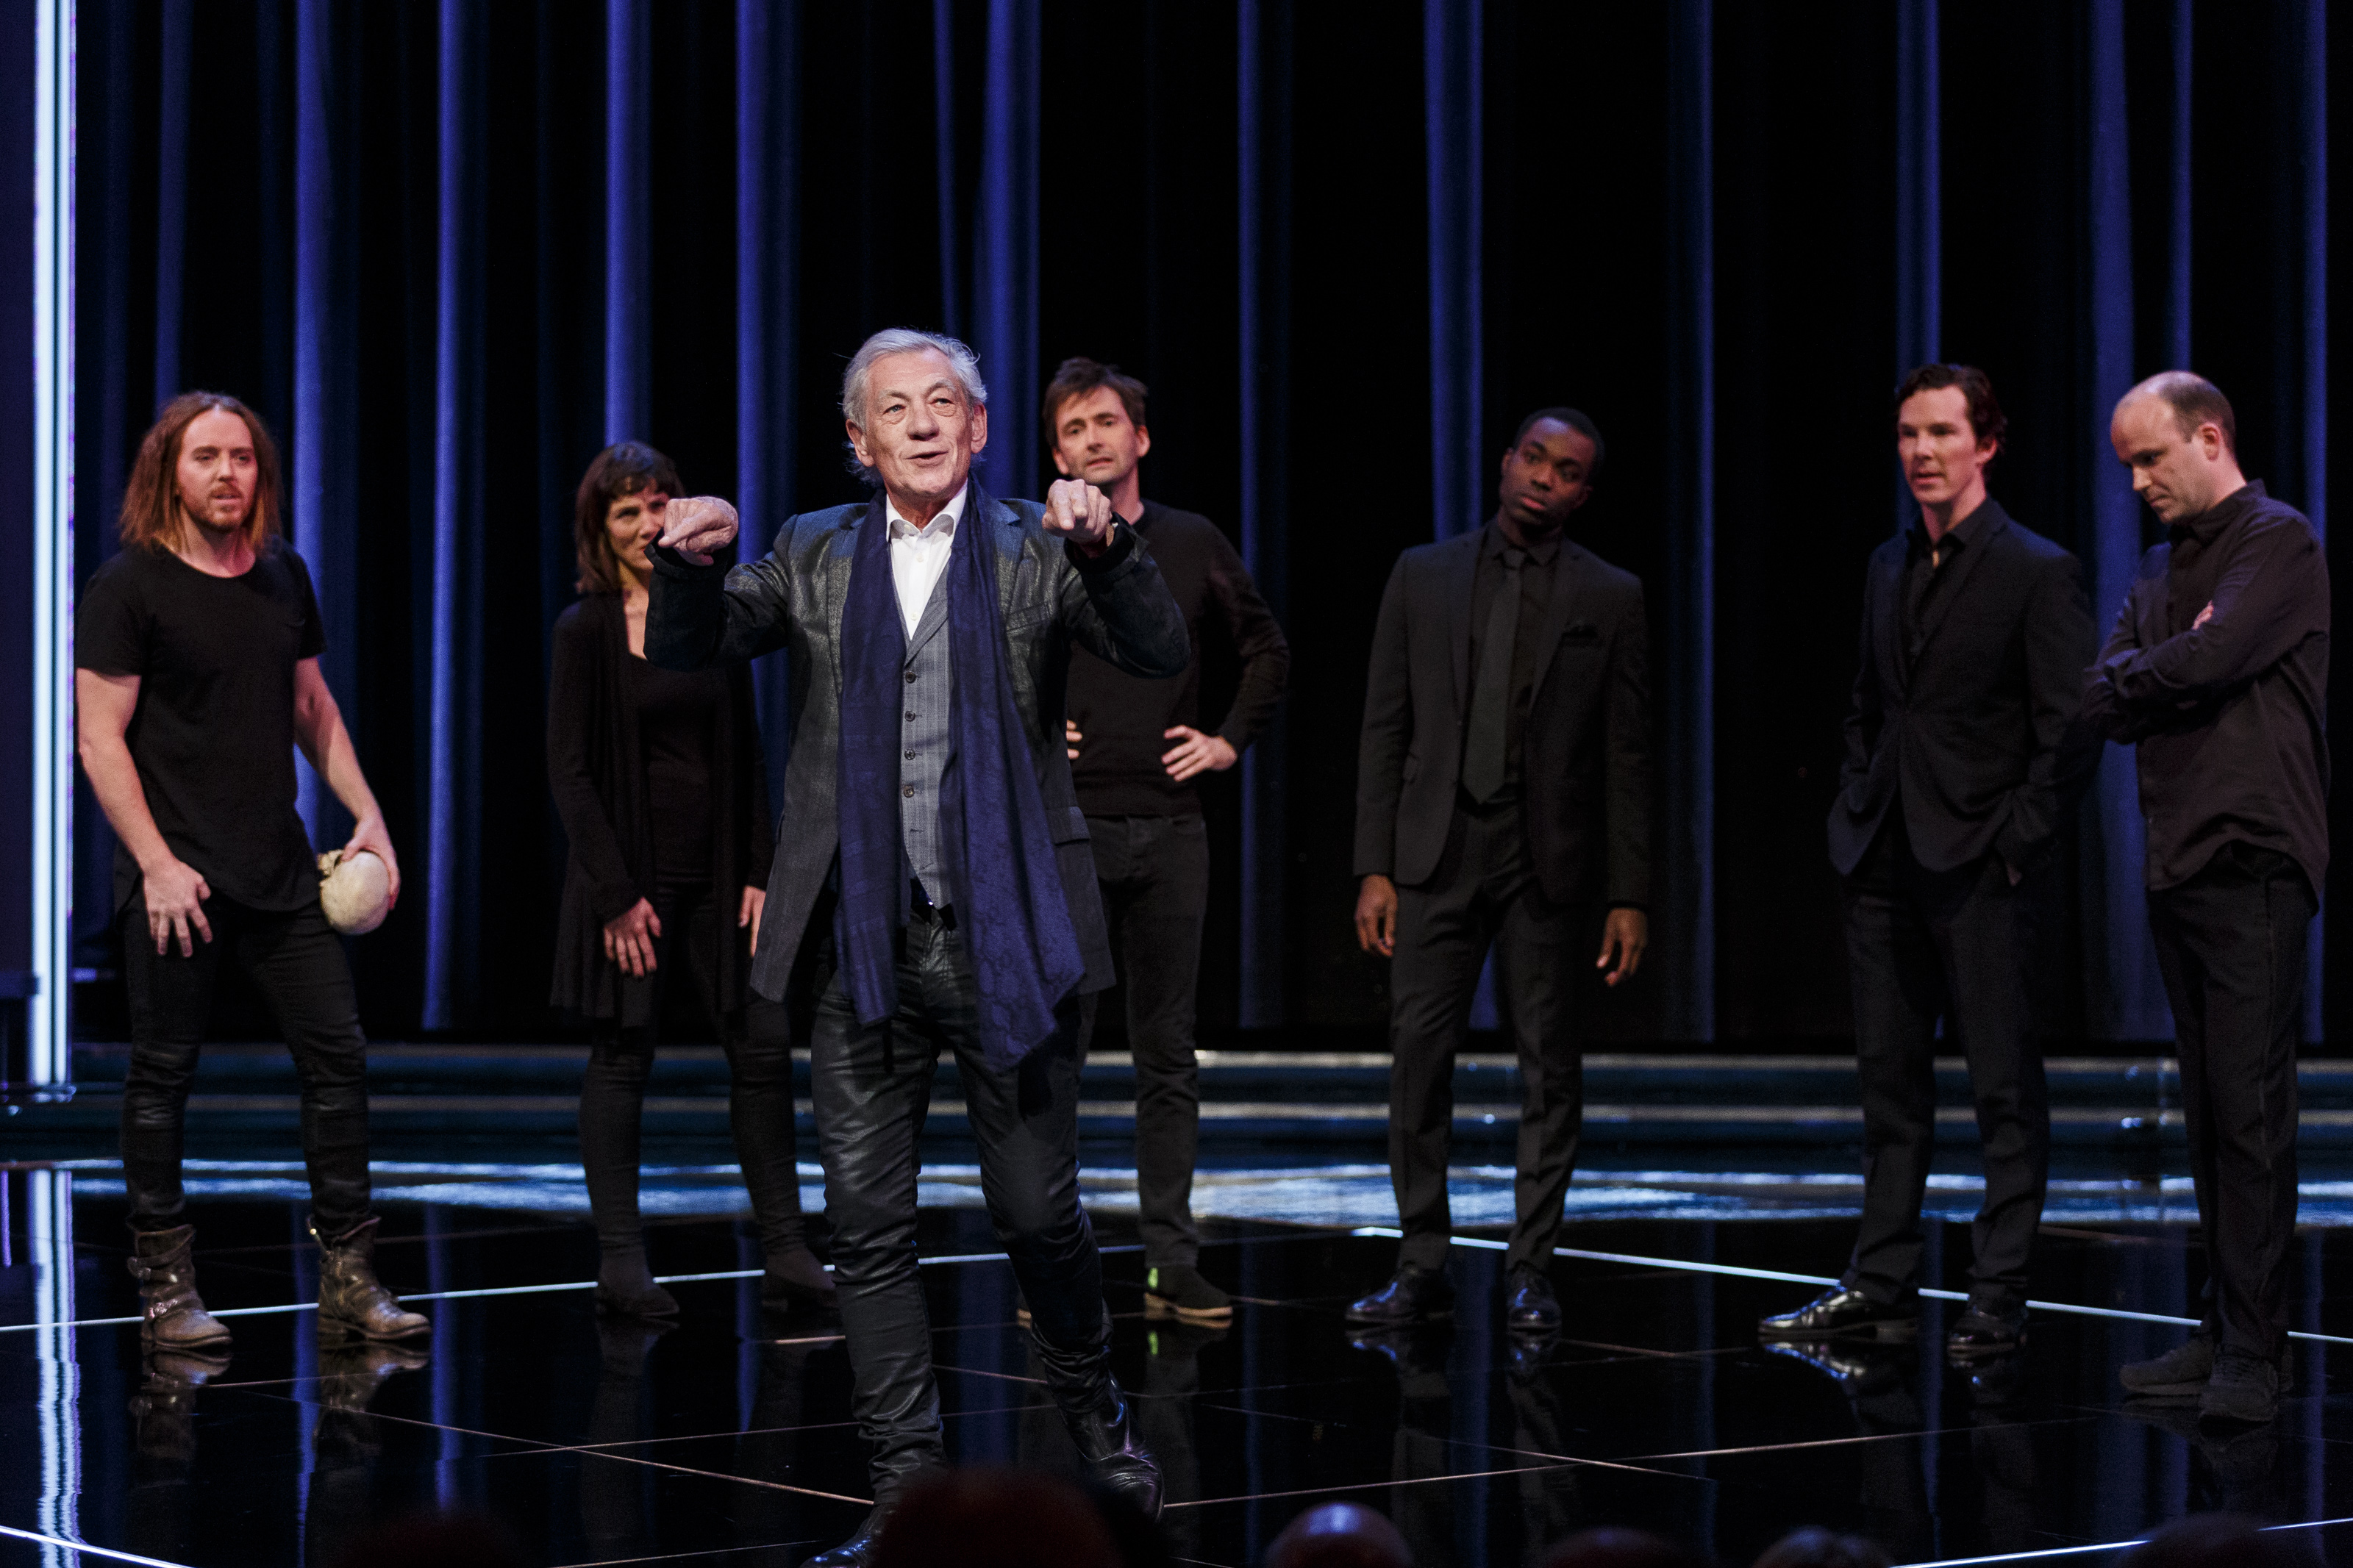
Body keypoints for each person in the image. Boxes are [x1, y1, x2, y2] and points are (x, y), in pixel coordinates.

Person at [645, 327, 1190, 1564]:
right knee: (868, 1229)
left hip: (1011, 938)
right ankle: (902, 1489)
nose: (926, 423)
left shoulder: (1036, 544)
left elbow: (1158, 648)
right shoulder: (813, 550)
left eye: (946, 402)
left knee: (1036, 1213)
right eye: (897, 409)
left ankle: (1099, 1429)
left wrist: (1109, 546)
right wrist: (684, 562)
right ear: (861, 439)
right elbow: (691, 645)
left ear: (981, 428)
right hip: (863, 946)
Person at [76, 392, 427, 1348]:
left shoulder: (281, 575)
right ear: (169, 473)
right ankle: (166, 1289)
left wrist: (368, 814)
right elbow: (99, 739)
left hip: (278, 871)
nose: (227, 472)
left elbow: (311, 706)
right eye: (206, 457)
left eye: (241, 457)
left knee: (338, 1058)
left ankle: (350, 1279)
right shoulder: (130, 586)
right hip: (176, 881)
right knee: (162, 1075)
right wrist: (156, 864)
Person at [1762, 365, 2097, 1356]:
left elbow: (2070, 729)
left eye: (1943, 433)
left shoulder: (2035, 568)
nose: (1921, 452)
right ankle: (1881, 1280)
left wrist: (2014, 844)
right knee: (1889, 1084)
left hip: (1980, 864)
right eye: (1909, 434)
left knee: (2002, 1087)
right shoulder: (1889, 563)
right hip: (1883, 855)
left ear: (1986, 444)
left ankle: (1999, 1290)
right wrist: (1855, 802)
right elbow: (1869, 704)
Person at [1349, 407, 1652, 1334]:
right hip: (1434, 851)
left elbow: (1626, 755)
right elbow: (1384, 727)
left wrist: (1629, 892)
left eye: (1565, 471)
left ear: (1581, 493)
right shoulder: (1423, 573)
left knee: (1548, 1068)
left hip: (1543, 859)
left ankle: (1530, 1269)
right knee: (1418, 1061)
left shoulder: (1609, 595)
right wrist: (1373, 867)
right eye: (1532, 458)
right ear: (1504, 462)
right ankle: (1420, 1262)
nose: (1542, 479)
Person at [2089, 373, 2329, 1426]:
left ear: (2210, 438)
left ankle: (2254, 1353)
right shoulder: (2156, 569)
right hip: (2179, 860)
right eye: (2127, 466)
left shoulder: (2278, 541)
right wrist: (2166, 663)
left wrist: (2165, 662)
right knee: (2206, 1114)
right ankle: (2219, 1325)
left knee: (2249, 1111)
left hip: (2254, 857)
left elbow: (2216, 653)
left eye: (2150, 458)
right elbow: (2105, 693)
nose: (2138, 482)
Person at [546, 441, 830, 1317]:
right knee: (622, 1056)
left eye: (655, 506)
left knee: (761, 1049)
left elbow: (745, 749)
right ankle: (620, 1262)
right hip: (631, 882)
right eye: (624, 511)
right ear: (600, 530)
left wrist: (759, 869)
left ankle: (786, 1249)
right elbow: (569, 771)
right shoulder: (585, 630)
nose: (644, 524)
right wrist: (614, 895)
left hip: (720, 876)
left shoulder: (710, 615)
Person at [1047, 356, 1290, 1324]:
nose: (1092, 440)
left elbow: (1266, 647)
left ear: (1139, 437)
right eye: (1073, 429)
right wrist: (1032, 728)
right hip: (1067, 831)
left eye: (1106, 422)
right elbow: (983, 655)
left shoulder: (1190, 541)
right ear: (1056, 453)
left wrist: (1228, 740)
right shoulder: (1038, 548)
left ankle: (1169, 1261)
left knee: (1167, 1056)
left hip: (1171, 828)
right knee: (1055, 1055)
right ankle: (1055, 1266)